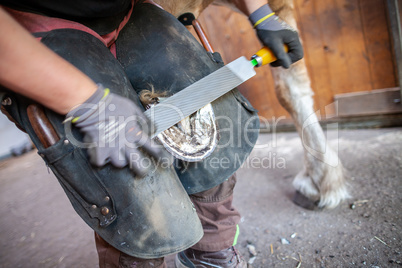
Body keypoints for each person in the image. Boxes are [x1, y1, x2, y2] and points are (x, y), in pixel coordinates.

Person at [0, 0, 303, 267]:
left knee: (210, 135)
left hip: (128, 12)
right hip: (29, 29)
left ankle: (212, 254)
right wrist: (88, 104)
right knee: (128, 180)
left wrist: (260, 12)